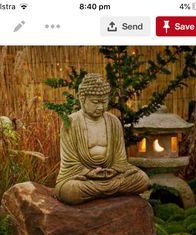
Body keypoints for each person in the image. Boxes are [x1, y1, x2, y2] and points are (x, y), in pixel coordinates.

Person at [55, 73, 150, 205]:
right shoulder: (70, 122)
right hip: (84, 178)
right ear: (82, 99)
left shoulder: (114, 122)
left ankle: (99, 192)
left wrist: (113, 171)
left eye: (104, 102)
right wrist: (89, 173)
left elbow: (120, 160)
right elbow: (70, 163)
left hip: (110, 175)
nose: (100, 107)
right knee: (71, 191)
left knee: (142, 179)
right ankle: (109, 192)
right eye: (95, 102)